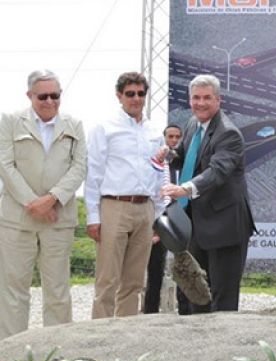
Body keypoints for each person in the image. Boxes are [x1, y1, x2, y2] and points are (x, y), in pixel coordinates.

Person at [0, 69, 87, 339]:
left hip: (57, 219)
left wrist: (51, 199)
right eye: (43, 96)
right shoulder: (10, 121)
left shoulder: (74, 125)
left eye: (55, 96)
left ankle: (57, 353)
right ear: (30, 96)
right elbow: (5, 164)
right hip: (17, 219)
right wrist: (32, 203)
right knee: (13, 290)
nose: (50, 101)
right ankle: (11, 358)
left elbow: (79, 167)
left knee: (58, 290)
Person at [162, 74, 254, 315]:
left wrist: (185, 189)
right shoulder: (193, 124)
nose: (200, 103)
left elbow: (217, 171)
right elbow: (184, 156)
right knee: (196, 294)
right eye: (195, 98)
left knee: (222, 298)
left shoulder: (228, 133)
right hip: (197, 225)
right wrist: (168, 154)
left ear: (218, 100)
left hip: (225, 226)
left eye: (206, 98)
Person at [85, 72, 165, 319]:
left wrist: (159, 216)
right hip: (114, 206)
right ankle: (99, 342)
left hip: (145, 208)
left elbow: (158, 172)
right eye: (130, 94)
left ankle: (125, 344)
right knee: (108, 280)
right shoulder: (105, 127)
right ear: (119, 95)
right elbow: (94, 172)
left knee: (134, 282)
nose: (136, 98)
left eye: (141, 93)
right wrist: (92, 216)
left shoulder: (154, 131)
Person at [143, 124, 182, 314]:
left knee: (175, 264)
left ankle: (180, 309)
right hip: (156, 215)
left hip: (175, 216)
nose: (174, 141)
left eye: (177, 137)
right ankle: (148, 310)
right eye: (170, 137)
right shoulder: (154, 160)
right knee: (152, 267)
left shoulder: (179, 162)